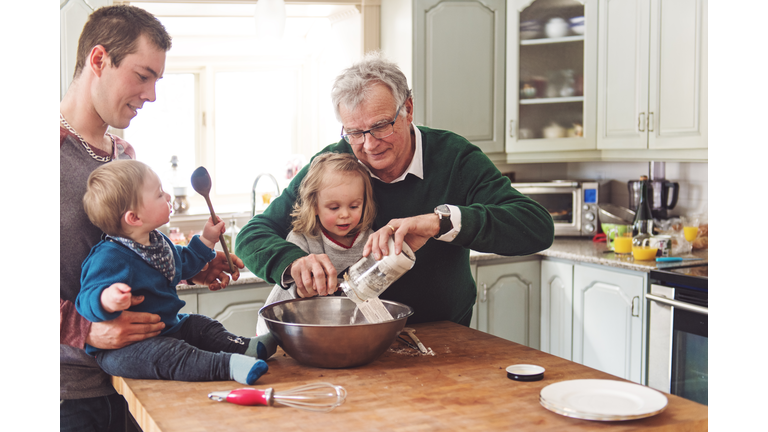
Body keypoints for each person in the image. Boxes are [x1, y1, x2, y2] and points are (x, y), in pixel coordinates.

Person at [236, 52, 554, 327]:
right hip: (357, 338)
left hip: (443, 333)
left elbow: (535, 227)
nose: (369, 145)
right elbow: (253, 235)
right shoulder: (333, 164)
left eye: (380, 126)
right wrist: (291, 263)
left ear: (408, 108)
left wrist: (438, 222)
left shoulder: (453, 158)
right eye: (355, 132)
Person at [59, 5, 243, 431]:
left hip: (134, 380)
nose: (152, 95)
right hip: (63, 395)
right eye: (143, 76)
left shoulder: (124, 156)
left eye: (157, 80)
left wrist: (183, 268)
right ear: (99, 60)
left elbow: (125, 255)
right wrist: (83, 330)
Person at [77, 160, 275, 385]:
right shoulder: (109, 257)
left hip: (169, 327)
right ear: (134, 218)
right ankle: (228, 365)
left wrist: (207, 240)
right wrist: (106, 299)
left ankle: (246, 347)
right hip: (127, 349)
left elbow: (185, 263)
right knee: (173, 355)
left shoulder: (157, 243)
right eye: (159, 194)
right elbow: (85, 300)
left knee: (200, 325)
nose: (168, 197)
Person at [256, 152, 377, 335]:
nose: (344, 214)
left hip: (333, 329)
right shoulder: (302, 238)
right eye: (334, 207)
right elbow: (298, 287)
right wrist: (307, 287)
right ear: (314, 206)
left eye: (354, 206)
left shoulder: (371, 240)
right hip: (281, 328)